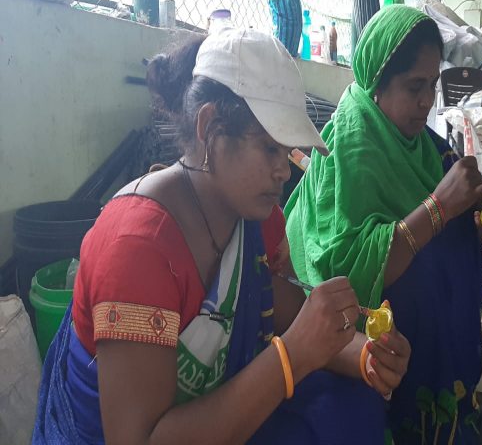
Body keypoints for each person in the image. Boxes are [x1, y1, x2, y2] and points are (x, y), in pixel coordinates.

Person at [32, 27, 411, 444]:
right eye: (269, 148)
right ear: (209, 126)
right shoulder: (136, 248)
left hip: (212, 417)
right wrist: (291, 358)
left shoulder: (255, 219)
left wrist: (365, 357)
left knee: (351, 408)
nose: (283, 171)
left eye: (287, 153)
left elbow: (287, 317)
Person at [285, 5, 482, 444]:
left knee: (451, 239)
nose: (428, 101)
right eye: (414, 87)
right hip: (350, 334)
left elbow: (467, 193)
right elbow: (344, 269)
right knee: (426, 260)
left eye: (432, 84)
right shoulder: (348, 148)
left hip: (423, 344)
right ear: (376, 83)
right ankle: (409, 415)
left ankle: (446, 407)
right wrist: (438, 209)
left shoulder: (422, 144)